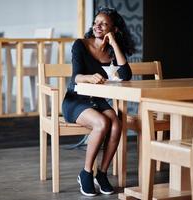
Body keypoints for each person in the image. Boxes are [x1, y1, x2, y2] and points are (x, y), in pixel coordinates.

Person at [62, 7, 135, 196]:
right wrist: (89, 77)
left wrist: (114, 44)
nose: (98, 26)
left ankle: (102, 174)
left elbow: (126, 75)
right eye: (96, 22)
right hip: (75, 100)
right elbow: (76, 77)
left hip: (98, 101)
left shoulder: (111, 52)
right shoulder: (81, 45)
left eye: (103, 23)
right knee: (102, 123)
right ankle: (86, 173)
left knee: (116, 124)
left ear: (114, 29)